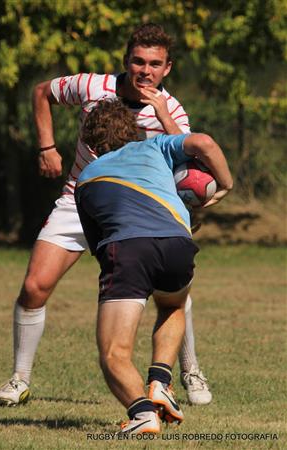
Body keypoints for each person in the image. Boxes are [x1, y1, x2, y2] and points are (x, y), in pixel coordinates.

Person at [0, 23, 211, 406]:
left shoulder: (172, 109)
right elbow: (42, 92)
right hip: (81, 197)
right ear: (126, 61)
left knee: (171, 287)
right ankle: (19, 379)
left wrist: (163, 115)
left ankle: (189, 370)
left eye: (155, 64)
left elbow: (188, 157)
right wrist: (47, 146)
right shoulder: (94, 86)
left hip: (140, 210)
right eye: (138, 61)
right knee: (34, 287)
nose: (145, 70)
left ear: (168, 68)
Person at [75, 99, 233, 434]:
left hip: (128, 248)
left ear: (90, 145)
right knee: (173, 305)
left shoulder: (86, 178)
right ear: (135, 131)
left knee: (114, 353)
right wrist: (227, 185)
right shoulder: (157, 146)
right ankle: (160, 381)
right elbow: (203, 143)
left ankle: (141, 414)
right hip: (179, 242)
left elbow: (98, 245)